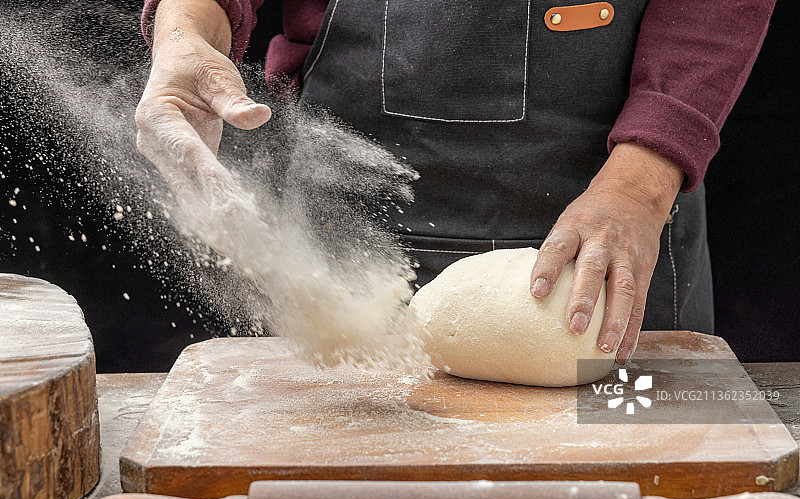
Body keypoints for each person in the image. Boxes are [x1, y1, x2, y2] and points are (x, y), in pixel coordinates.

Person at [136, 0, 775, 364]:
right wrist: (187, 31)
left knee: (645, 476)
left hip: (616, 219)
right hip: (348, 229)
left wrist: (640, 185)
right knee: (345, 482)